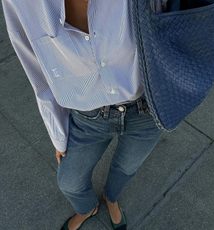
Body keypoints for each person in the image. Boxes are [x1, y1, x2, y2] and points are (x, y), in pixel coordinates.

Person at [2, 0, 164, 229]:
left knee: (127, 167)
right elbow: (36, 68)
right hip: (87, 117)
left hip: (147, 110)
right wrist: (57, 131)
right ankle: (88, 207)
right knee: (69, 182)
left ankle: (111, 197)